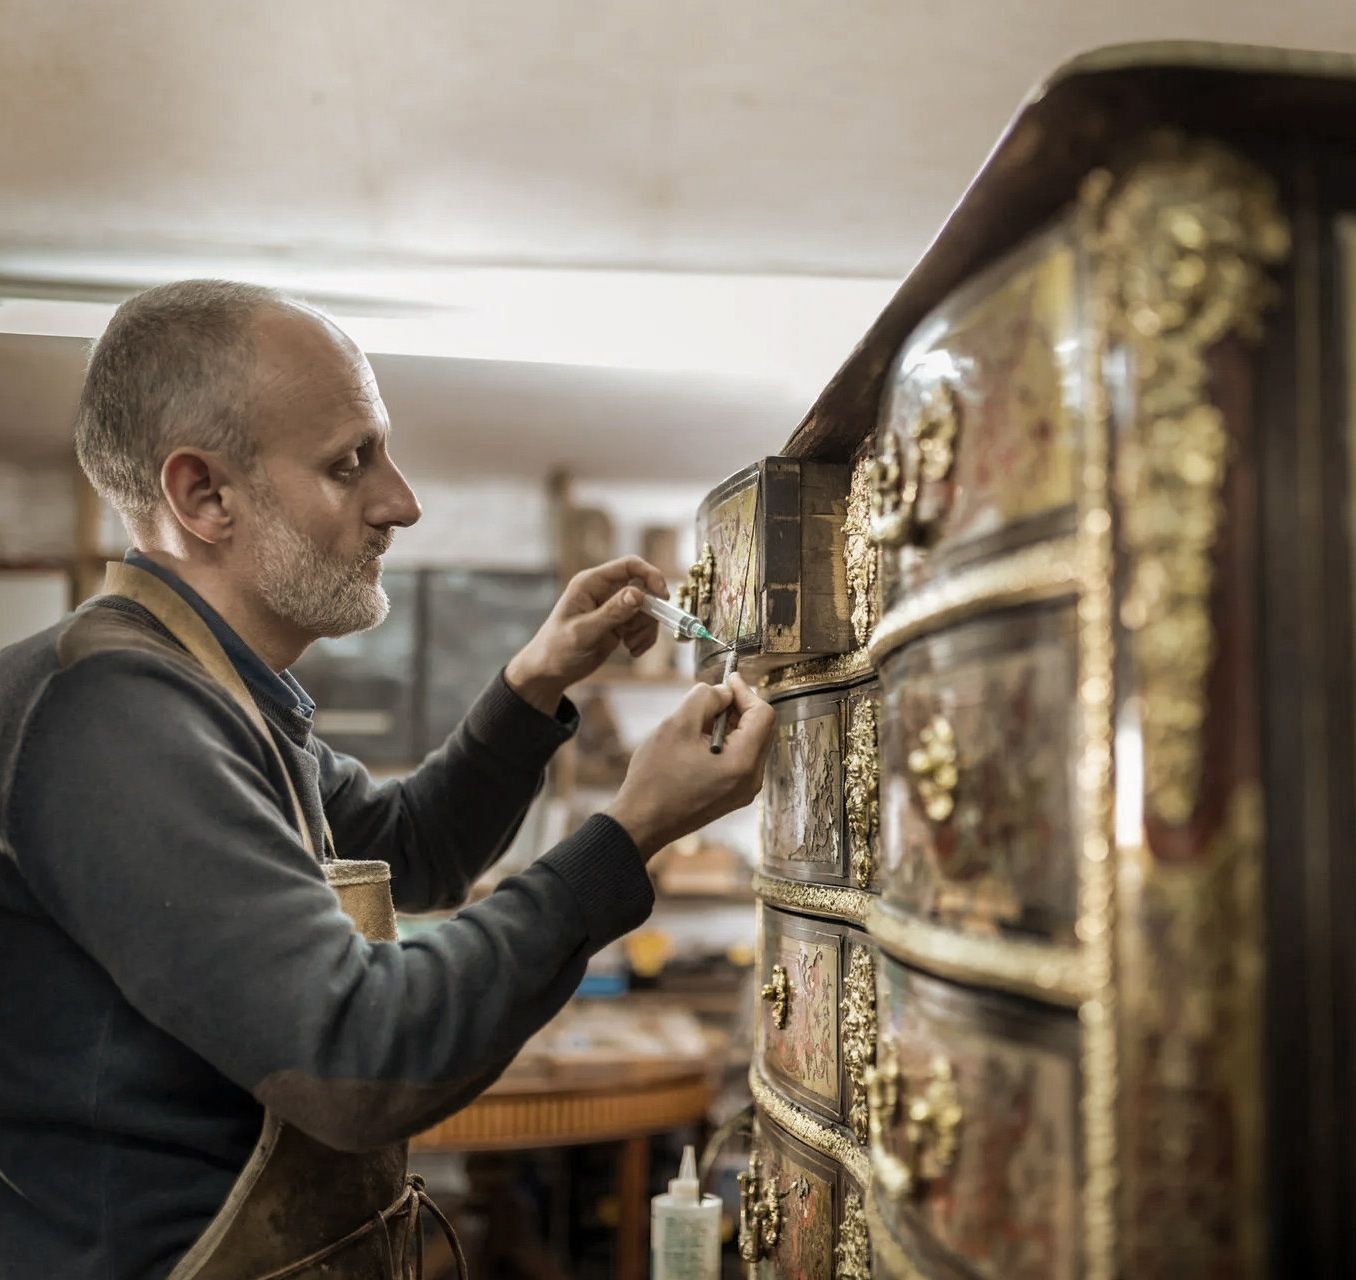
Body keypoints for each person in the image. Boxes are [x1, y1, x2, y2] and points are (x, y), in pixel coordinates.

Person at [0, 280, 774, 1279]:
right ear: (203, 496)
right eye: (348, 462)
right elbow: (357, 1055)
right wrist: (628, 830)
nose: (401, 502)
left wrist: (534, 680)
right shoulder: (115, 714)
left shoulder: (214, 694)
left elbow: (408, 847)